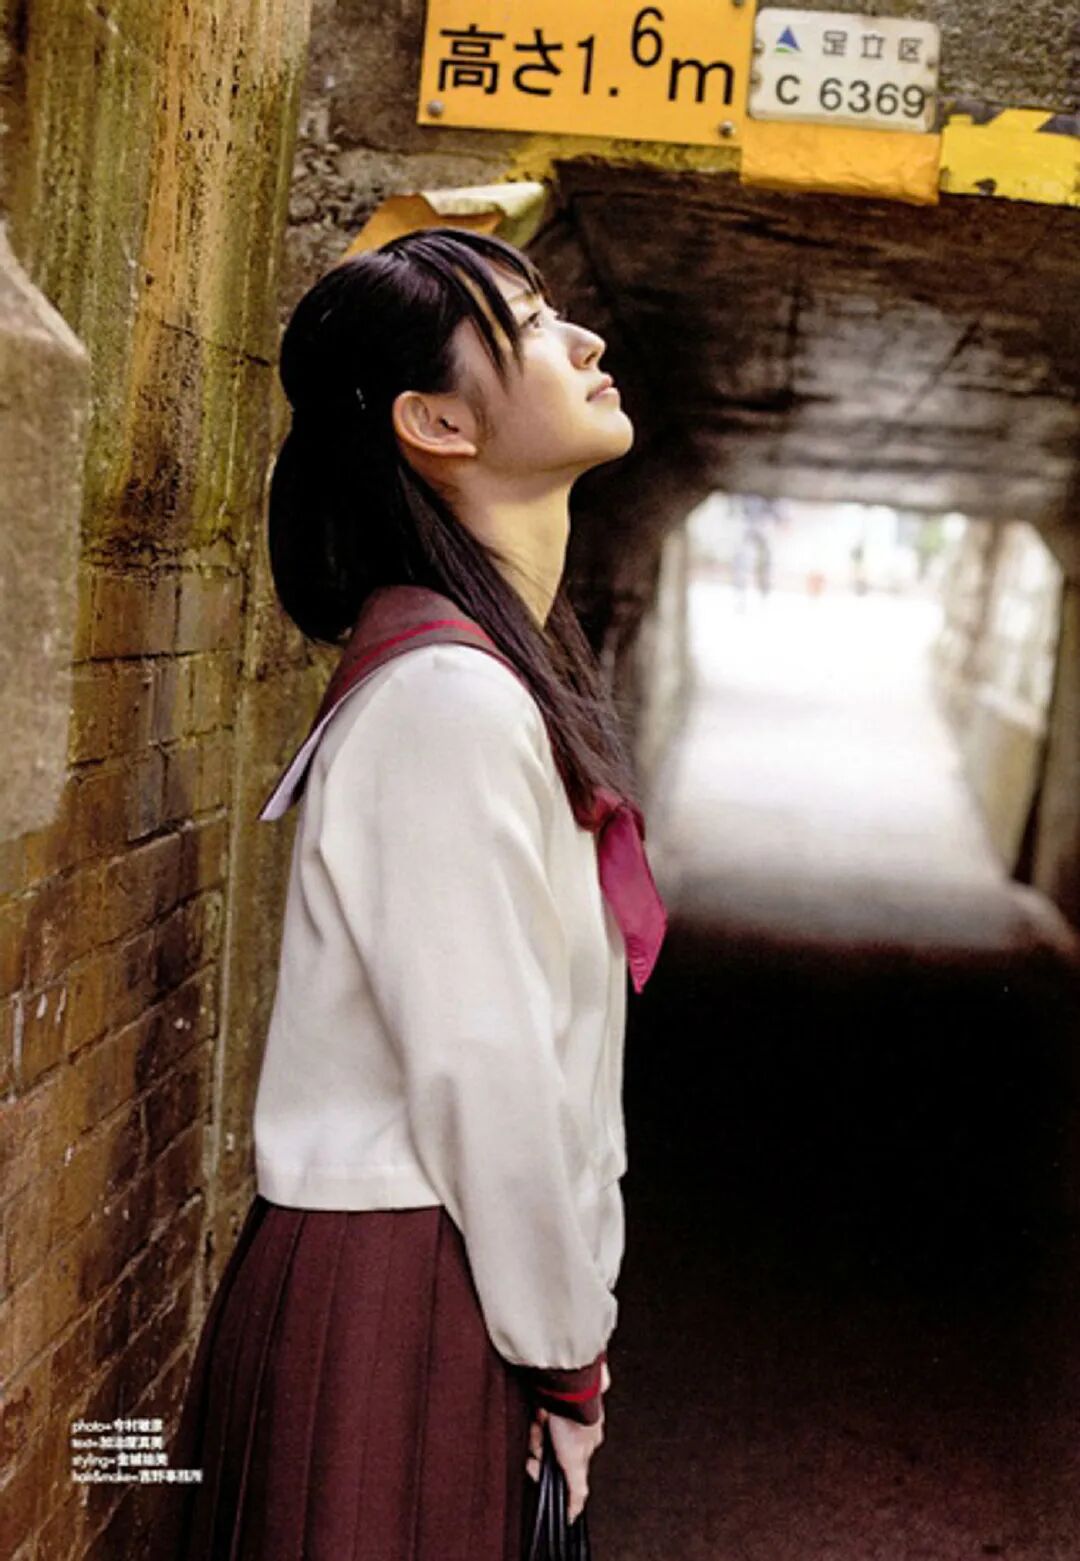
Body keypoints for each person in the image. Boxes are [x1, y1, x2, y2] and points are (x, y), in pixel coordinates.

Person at [165, 225, 667, 1558]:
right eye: (530, 322)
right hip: (405, 1297)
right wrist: (567, 1357)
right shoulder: (446, 700)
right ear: (437, 422)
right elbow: (489, 1073)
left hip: (439, 1285)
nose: (584, 340)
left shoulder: (486, 677)